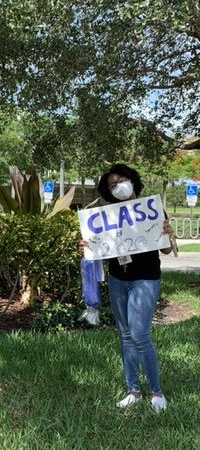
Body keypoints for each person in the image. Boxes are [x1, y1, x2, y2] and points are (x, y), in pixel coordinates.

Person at [85, 164, 174, 412]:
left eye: (122, 179)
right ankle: (133, 391)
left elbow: (166, 249)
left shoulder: (151, 209)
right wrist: (88, 243)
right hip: (117, 279)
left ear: (133, 180)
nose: (119, 186)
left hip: (145, 279)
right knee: (125, 336)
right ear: (109, 191)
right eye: (113, 184)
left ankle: (156, 392)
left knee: (140, 335)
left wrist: (168, 232)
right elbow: (97, 249)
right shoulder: (107, 216)